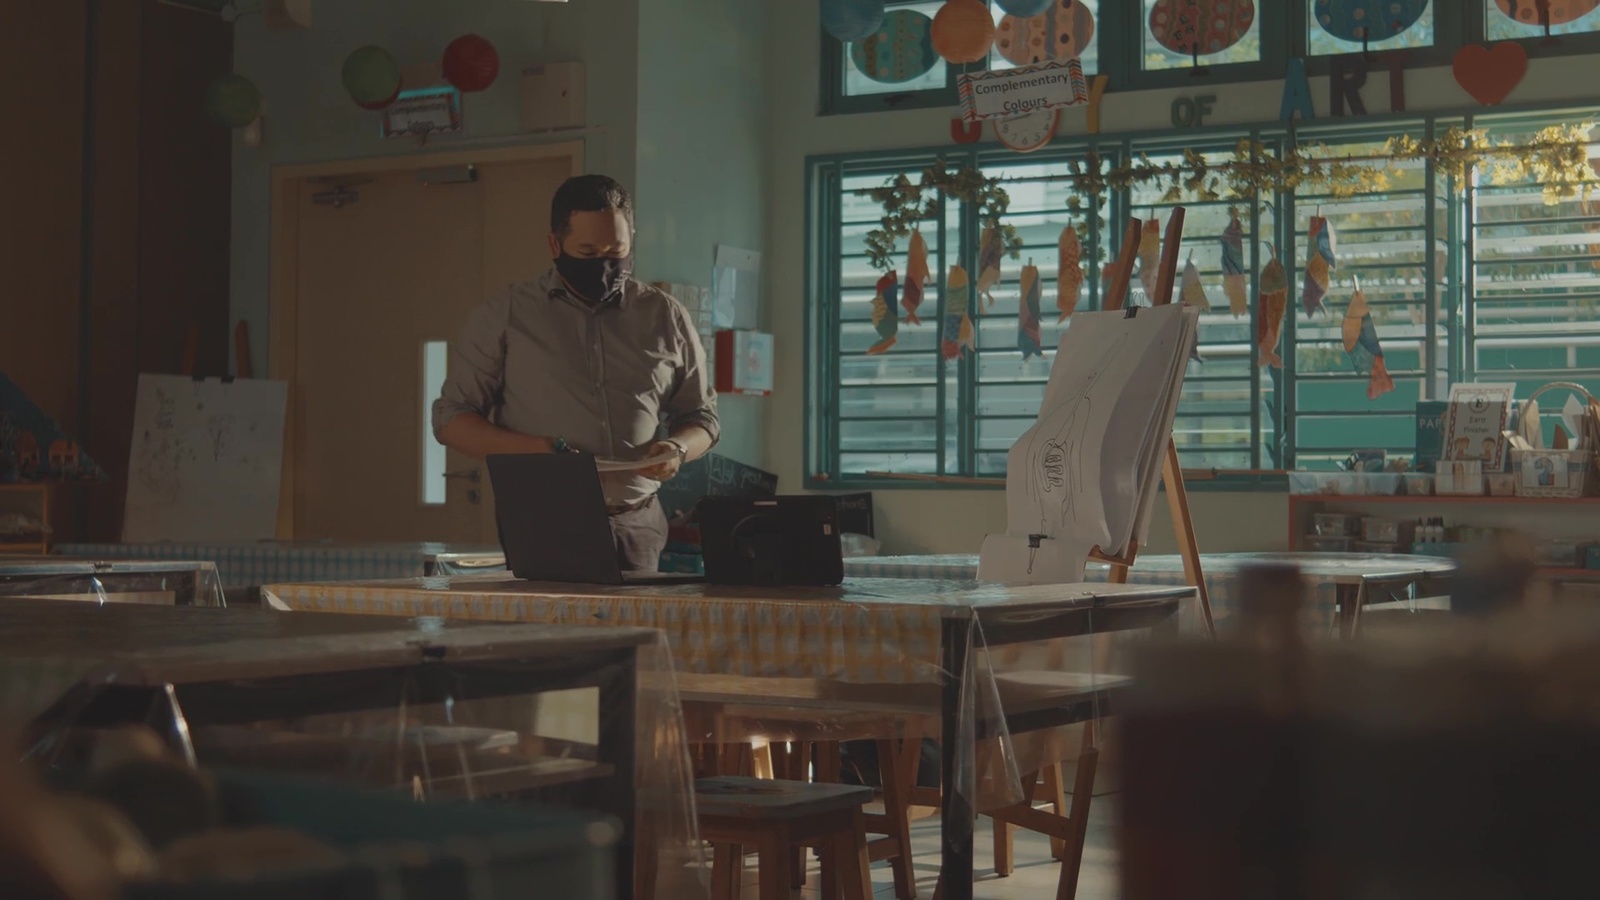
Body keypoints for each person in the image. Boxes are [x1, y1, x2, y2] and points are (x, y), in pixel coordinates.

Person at [433, 174, 718, 573]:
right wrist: (536, 452)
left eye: (617, 250)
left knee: (634, 636)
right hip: (545, 521)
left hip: (638, 521)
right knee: (554, 636)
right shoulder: (506, 315)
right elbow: (451, 420)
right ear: (555, 244)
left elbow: (702, 417)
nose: (604, 264)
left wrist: (679, 449)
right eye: (587, 252)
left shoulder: (665, 315)